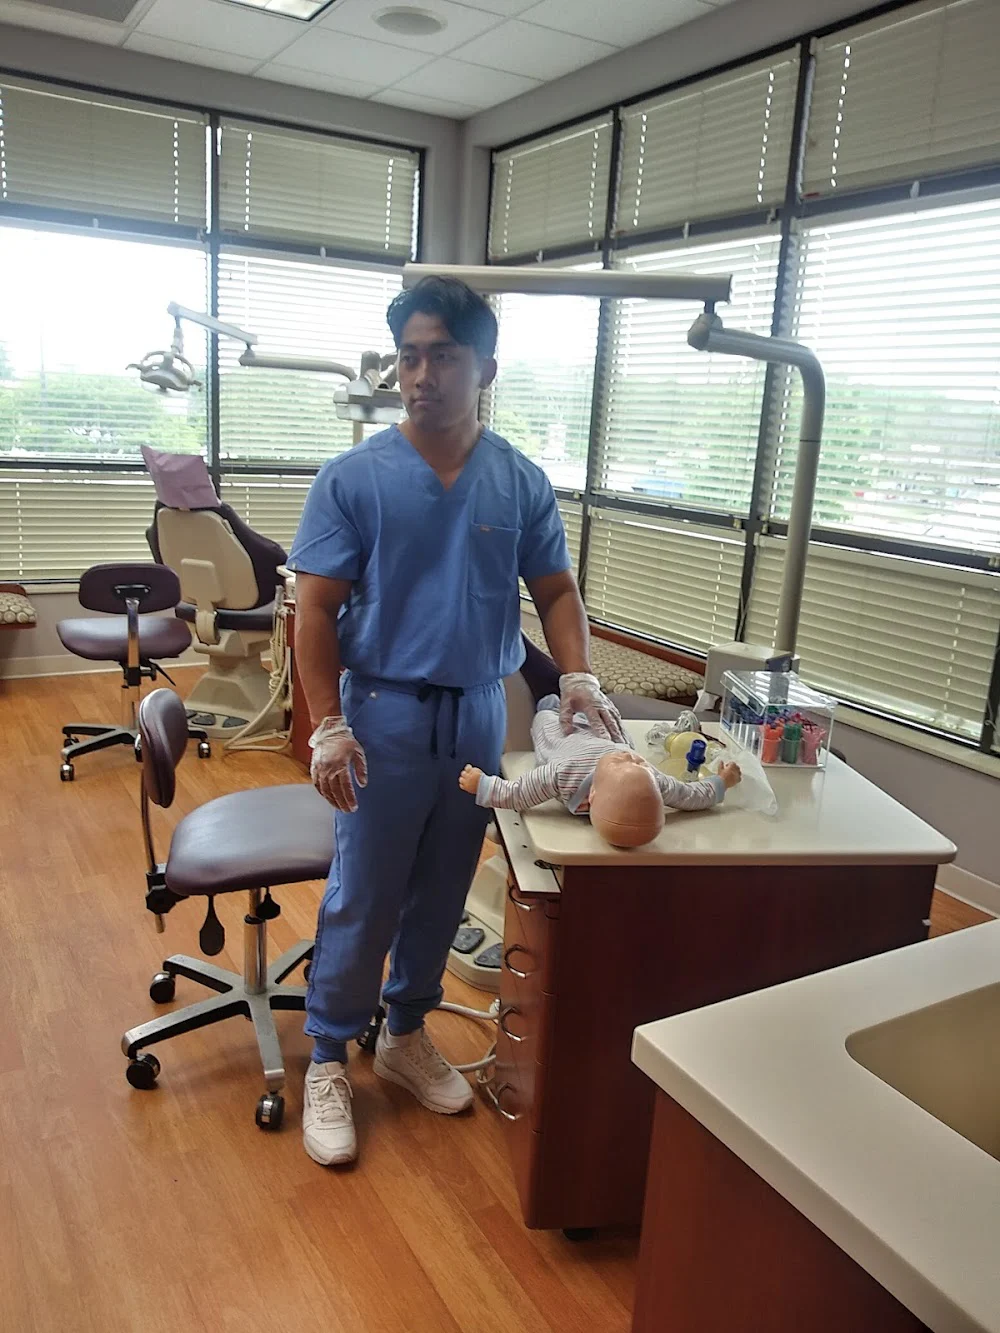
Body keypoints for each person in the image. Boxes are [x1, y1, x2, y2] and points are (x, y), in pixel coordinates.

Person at [288, 276, 626, 1167]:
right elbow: (314, 610)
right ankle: (328, 1054)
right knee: (365, 890)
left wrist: (578, 674)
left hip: (478, 711)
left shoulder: (517, 480)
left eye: (442, 355)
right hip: (383, 713)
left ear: (486, 369)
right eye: (409, 357)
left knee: (444, 884)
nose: (420, 375)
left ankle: (404, 1033)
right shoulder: (355, 479)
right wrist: (327, 725)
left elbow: (556, 589)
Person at [460, 694, 741, 847]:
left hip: (566, 741)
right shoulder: (652, 779)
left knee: (547, 716)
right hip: (606, 736)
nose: (632, 759)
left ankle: (551, 703)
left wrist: (483, 785)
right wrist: (722, 782)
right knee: (608, 718)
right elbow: (690, 796)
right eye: (639, 764)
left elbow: (518, 793)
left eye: (621, 764)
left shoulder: (564, 774)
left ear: (592, 794)